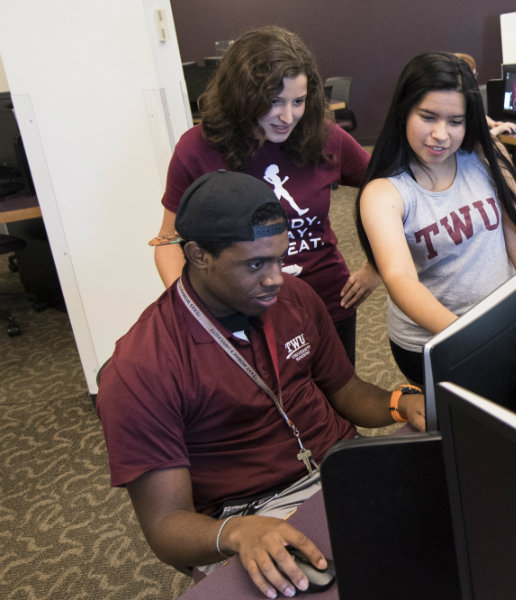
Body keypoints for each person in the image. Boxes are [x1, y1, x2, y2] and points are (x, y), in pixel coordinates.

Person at [98, 171, 426, 599]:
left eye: (279, 258)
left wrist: (402, 403)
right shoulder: (142, 367)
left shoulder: (293, 296)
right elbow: (164, 524)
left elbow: (347, 391)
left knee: (453, 524)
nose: (276, 277)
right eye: (255, 264)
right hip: (250, 511)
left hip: (341, 464)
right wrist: (235, 534)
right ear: (198, 255)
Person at [153, 25, 377, 364]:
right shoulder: (196, 148)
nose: (288, 117)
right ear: (242, 97)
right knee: (266, 411)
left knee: (338, 402)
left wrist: (378, 266)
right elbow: (169, 244)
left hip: (327, 299)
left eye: (298, 101)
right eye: (273, 102)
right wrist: (194, 311)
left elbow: (392, 191)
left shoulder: (325, 136)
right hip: (240, 309)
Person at [356, 52, 516, 384]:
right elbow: (401, 281)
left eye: (455, 121)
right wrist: (470, 337)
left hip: (496, 323)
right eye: (428, 117)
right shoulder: (385, 192)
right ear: (404, 112)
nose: (441, 134)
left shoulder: (489, 157)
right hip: (434, 340)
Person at [453, 52, 516, 136]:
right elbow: (477, 142)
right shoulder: (457, 102)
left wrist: (493, 123)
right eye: (473, 75)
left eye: (475, 75)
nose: (475, 79)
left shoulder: (466, 96)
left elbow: (478, 116)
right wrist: (498, 130)